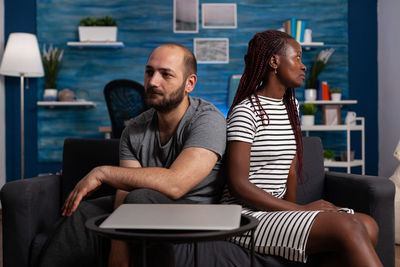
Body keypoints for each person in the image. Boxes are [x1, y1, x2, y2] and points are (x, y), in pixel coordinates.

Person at [38, 43, 226, 267]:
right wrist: (118, 248)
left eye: (166, 74)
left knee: (140, 199)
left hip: (198, 214)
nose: (153, 82)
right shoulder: (134, 129)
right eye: (149, 72)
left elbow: (177, 184)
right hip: (144, 205)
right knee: (86, 210)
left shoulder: (208, 120)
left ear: (189, 83)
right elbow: (125, 188)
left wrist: (102, 172)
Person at [222, 30, 382, 266]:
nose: (304, 66)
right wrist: (299, 210)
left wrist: (295, 214)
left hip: (278, 213)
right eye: (297, 57)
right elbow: (238, 185)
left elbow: (290, 172)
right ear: (274, 61)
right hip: (244, 216)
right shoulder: (245, 111)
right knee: (349, 226)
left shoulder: (291, 107)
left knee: (368, 225)